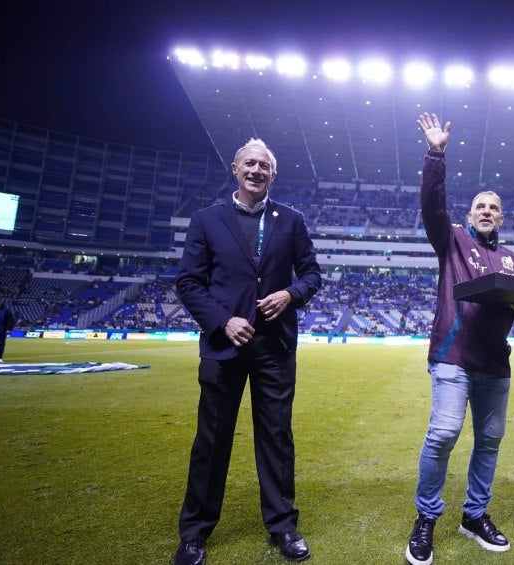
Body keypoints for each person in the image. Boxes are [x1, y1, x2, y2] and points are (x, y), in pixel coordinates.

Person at [173, 138, 322, 565]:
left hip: (274, 346)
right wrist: (223, 320)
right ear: (236, 169)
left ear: (273, 175)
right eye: (250, 164)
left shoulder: (290, 220)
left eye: (265, 166)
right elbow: (189, 283)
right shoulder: (206, 220)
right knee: (212, 440)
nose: (257, 170)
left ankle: (282, 527)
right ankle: (195, 534)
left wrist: (290, 294)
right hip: (224, 344)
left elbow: (312, 274)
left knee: (276, 438)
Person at [405, 113, 514, 565]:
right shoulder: (454, 240)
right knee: (443, 434)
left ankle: (474, 515)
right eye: (479, 205)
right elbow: (430, 204)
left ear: (501, 217)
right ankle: (426, 519)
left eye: (493, 207)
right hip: (452, 356)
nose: (485, 211)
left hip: (495, 363)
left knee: (490, 441)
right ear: (468, 215)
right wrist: (435, 153)